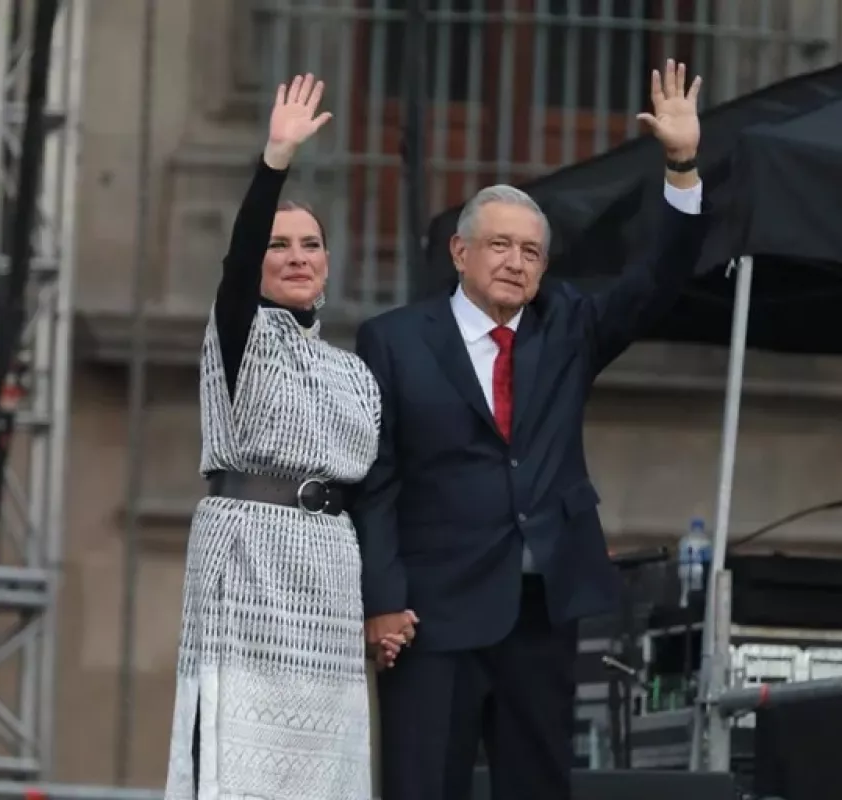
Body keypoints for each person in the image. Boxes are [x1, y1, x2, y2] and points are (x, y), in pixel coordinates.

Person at [352, 60, 708, 800]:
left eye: (532, 252)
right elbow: (378, 478)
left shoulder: (569, 326)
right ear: (460, 252)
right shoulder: (394, 340)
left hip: (540, 609)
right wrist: (381, 599)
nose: (516, 264)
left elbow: (658, 282)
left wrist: (680, 168)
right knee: (421, 785)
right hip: (433, 613)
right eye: (500, 246)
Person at [162, 74, 412, 800]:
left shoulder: (355, 371)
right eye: (280, 245)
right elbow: (237, 266)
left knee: (320, 762)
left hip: (329, 567)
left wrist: (383, 601)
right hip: (247, 552)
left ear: (328, 263)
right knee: (238, 758)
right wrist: (275, 160)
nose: (297, 256)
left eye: (311, 245)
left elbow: (377, 491)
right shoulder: (239, 335)